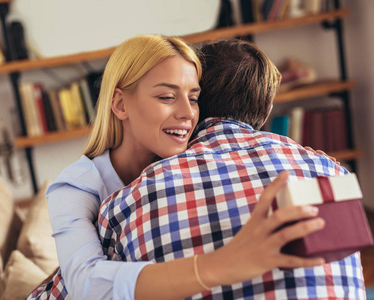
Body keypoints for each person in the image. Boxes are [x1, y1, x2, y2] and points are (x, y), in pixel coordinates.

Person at [27, 35, 327, 300]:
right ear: (119, 104)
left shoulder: (191, 165)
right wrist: (222, 264)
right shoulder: (76, 186)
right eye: (167, 97)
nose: (187, 113)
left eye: (194, 98)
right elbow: (85, 286)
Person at [98, 39, 366, 299]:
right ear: (267, 109)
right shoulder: (330, 173)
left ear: (196, 101)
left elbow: (79, 288)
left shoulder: (125, 203)